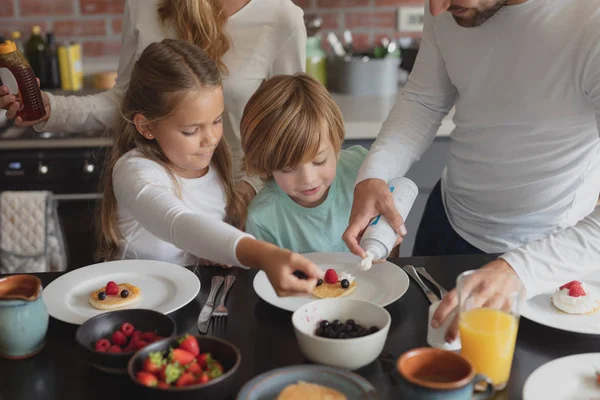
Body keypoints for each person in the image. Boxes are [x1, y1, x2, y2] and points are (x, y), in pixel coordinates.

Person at [342, 0, 600, 338]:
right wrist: (374, 173)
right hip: (445, 224)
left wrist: (519, 270)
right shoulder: (449, 8)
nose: (436, 9)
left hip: (546, 259)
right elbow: (424, 99)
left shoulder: (589, 22)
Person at [0, 0, 306, 203]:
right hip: (158, 191)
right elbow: (127, 102)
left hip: (242, 197)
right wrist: (51, 110)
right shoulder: (144, 5)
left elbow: (290, 130)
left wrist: (246, 192)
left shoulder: (282, 17)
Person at [98, 39, 322, 297]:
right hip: (139, 307)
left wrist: (215, 250)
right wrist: (262, 254)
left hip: (194, 303)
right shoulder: (134, 172)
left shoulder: (214, 164)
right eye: (191, 130)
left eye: (217, 120)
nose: (211, 139)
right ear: (146, 126)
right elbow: (178, 223)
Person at [240, 73, 368, 253]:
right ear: (266, 163)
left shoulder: (364, 171)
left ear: (336, 143)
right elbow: (266, 278)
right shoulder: (262, 218)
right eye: (288, 168)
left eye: (319, 161)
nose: (308, 179)